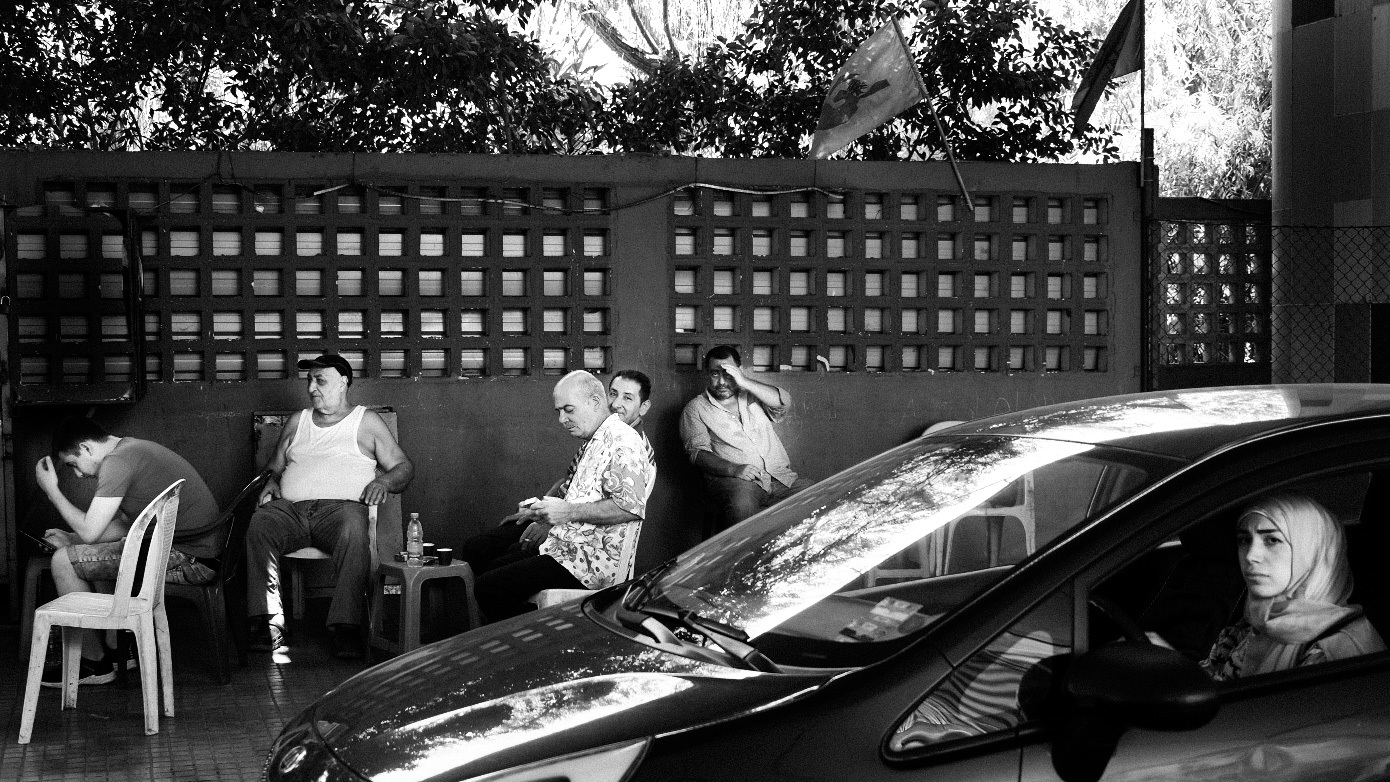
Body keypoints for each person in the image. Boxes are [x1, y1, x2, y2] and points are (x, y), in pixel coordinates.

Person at [245, 354, 413, 659]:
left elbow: (403, 467)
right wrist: (270, 480)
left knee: (354, 528)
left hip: (340, 512)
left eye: (320, 380)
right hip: (291, 512)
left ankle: (344, 627)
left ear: (343, 383)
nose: (311, 388)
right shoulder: (299, 421)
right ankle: (269, 621)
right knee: (260, 524)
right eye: (309, 380)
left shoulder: (366, 422)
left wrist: (383, 483)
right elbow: (275, 465)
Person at [34, 416, 221, 685]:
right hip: (198, 551)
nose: (78, 474)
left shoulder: (117, 463)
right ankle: (120, 648)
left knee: (63, 562)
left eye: (73, 464)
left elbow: (91, 532)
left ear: (86, 448)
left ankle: (93, 663)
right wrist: (74, 538)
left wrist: (52, 491)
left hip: (190, 559)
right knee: (91, 550)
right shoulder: (131, 449)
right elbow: (124, 526)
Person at [462, 370, 654, 622]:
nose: (562, 419)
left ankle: (544, 643)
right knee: (488, 566)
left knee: (490, 588)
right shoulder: (596, 438)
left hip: (589, 564)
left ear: (595, 402)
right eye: (559, 411)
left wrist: (567, 512)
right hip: (564, 549)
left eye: (569, 410)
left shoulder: (623, 441)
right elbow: (577, 496)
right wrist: (542, 512)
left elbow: (629, 509)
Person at [1201, 494, 1386, 681]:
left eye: (1272, 540)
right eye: (1244, 540)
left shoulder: (1337, 651)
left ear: (1312, 551)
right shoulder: (1253, 624)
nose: (1250, 556)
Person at [680, 345, 812, 531]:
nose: (721, 382)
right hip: (735, 482)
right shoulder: (696, 408)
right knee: (742, 505)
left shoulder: (753, 395)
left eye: (727, 373)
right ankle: (740, 560)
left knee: (816, 496)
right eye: (715, 374)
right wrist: (735, 469)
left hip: (779, 478)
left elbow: (784, 402)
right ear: (707, 374)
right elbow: (697, 453)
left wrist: (745, 382)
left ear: (739, 372)